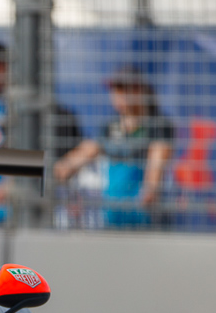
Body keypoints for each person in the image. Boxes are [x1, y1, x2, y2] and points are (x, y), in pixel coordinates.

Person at [54, 65, 173, 227]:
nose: (117, 95)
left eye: (123, 89)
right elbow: (82, 155)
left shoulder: (159, 126)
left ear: (139, 91)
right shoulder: (110, 127)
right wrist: (57, 171)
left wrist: (149, 192)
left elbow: (155, 169)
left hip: (146, 221)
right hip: (112, 220)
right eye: (115, 90)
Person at [0, 41, 82, 209]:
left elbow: (49, 162)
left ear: (0, 68)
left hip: (27, 214)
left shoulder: (31, 111)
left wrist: (10, 188)